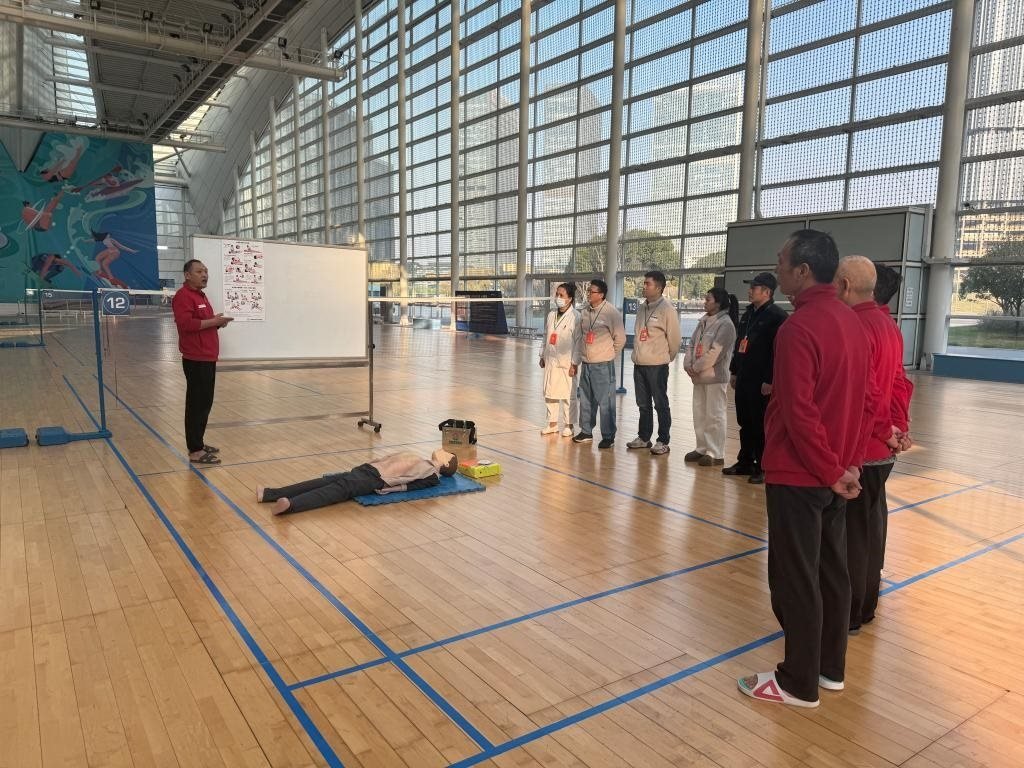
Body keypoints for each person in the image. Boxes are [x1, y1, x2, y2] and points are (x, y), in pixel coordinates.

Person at [738, 230, 869, 709]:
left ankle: (797, 682)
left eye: (782, 260)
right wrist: (849, 465)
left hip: (802, 474)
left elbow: (799, 412)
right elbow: (861, 403)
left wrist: (831, 469)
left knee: (795, 579)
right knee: (832, 573)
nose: (777, 267)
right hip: (837, 473)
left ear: (803, 270)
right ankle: (829, 669)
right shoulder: (852, 321)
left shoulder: (799, 328)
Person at [834, 255, 905, 637]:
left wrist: (882, 429)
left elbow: (868, 389)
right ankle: (866, 604)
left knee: (852, 534)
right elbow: (899, 383)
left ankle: (849, 611)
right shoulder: (888, 326)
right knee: (872, 526)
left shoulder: (857, 326)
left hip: (863, 446)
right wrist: (899, 427)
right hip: (882, 447)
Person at [724, 272, 788, 484]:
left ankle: (763, 466)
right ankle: (745, 461)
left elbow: (777, 353)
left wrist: (770, 379)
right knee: (744, 422)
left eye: (754, 288)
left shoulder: (777, 317)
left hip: (761, 380)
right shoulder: (749, 313)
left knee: (760, 424)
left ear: (767, 292)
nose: (749, 291)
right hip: (744, 376)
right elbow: (740, 344)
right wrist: (734, 371)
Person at [257, 449, 459, 515]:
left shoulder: (432, 475)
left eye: (447, 453)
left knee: (333, 491)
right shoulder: (421, 458)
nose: (443, 449)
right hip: (368, 469)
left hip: (375, 479)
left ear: (446, 462)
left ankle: (291, 505)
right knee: (323, 481)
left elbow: (411, 486)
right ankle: (270, 493)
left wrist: (387, 489)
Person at [172, 259, 233, 465]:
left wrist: (216, 322)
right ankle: (195, 450)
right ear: (187, 275)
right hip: (196, 359)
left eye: (206, 271)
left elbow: (202, 323)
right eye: (199, 271)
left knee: (204, 403)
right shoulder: (183, 296)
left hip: (207, 357)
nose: (204, 274)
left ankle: (198, 442)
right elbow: (186, 324)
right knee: (197, 405)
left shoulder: (201, 296)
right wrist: (214, 321)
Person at [626, 270, 681, 455]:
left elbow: (675, 341)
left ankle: (663, 440)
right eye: (644, 283)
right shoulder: (642, 307)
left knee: (660, 404)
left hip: (657, 366)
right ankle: (644, 437)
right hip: (639, 364)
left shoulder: (667, 309)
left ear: (659, 287)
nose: (644, 286)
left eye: (647, 283)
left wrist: (664, 358)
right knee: (643, 404)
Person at [682, 287, 738, 466]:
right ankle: (702, 448)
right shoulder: (703, 321)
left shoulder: (726, 324)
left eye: (708, 299)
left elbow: (716, 353)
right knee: (700, 414)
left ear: (718, 303)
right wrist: (687, 364)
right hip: (699, 377)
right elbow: (692, 344)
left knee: (714, 415)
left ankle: (715, 453)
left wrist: (696, 367)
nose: (704, 302)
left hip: (714, 378)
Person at [573, 278, 625, 449]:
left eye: (592, 291)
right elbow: (581, 336)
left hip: (603, 365)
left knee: (605, 402)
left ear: (601, 295)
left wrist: (608, 355)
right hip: (586, 364)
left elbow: (620, 339)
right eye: (588, 291)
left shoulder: (611, 313)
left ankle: (608, 436)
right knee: (586, 399)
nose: (589, 294)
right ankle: (586, 431)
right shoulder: (585, 312)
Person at [539, 282, 581, 437]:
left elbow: (579, 342)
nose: (558, 297)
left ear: (569, 299)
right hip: (550, 359)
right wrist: (542, 355)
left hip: (567, 362)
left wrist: (574, 363)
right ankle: (552, 424)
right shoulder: (551, 315)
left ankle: (569, 425)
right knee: (550, 393)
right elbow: (546, 336)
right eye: (557, 294)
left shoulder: (576, 317)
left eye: (561, 295)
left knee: (568, 395)